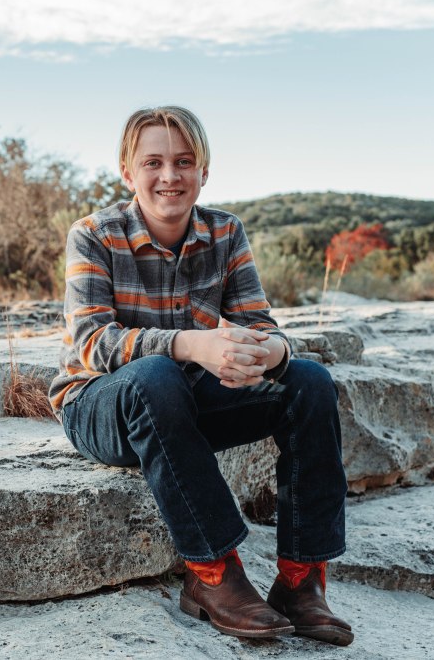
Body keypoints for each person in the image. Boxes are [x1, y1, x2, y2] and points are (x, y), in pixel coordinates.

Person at [48, 106, 352, 646]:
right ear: (128, 172)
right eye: (154, 162)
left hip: (183, 405)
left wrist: (264, 354)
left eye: (184, 162)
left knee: (309, 382)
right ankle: (213, 575)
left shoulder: (225, 232)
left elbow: (261, 325)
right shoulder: (93, 234)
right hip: (100, 405)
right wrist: (194, 344)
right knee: (156, 375)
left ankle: (301, 582)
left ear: (204, 171)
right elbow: (92, 342)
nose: (170, 175)